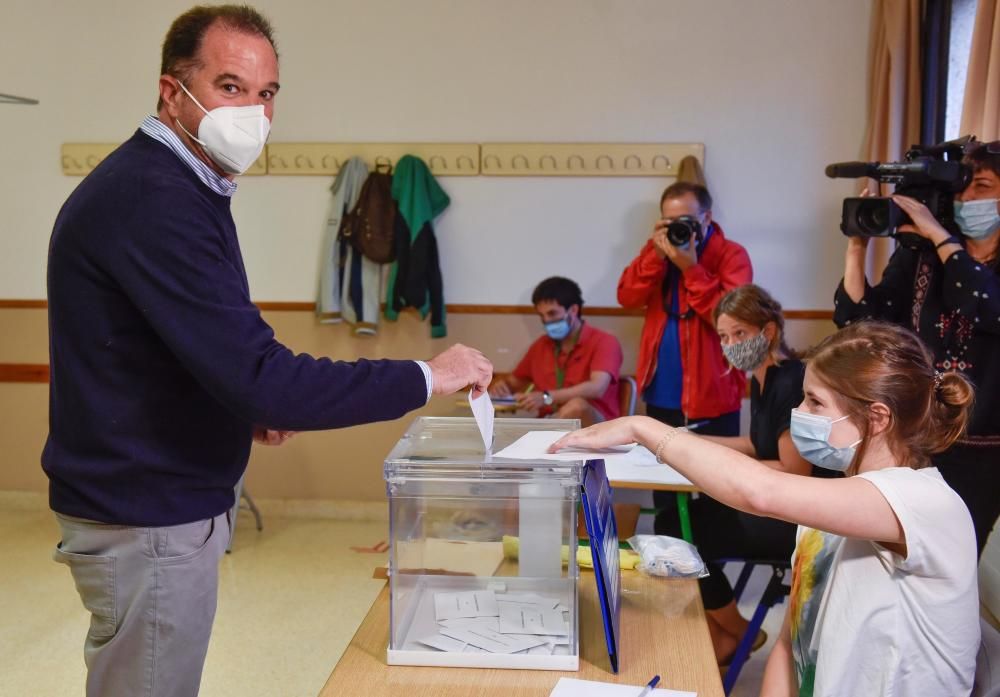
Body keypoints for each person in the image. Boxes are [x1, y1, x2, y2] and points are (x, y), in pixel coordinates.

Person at [43, 7, 492, 697]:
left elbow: (179, 351)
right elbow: (262, 375)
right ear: (172, 92)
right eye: (230, 86)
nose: (254, 111)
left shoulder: (180, 187)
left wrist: (230, 410)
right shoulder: (153, 198)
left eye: (267, 92)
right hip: (148, 519)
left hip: (150, 503)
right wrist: (426, 374)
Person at [551, 321, 980, 696]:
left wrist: (641, 427)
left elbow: (759, 492)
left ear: (879, 417)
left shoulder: (922, 502)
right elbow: (791, 640)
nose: (798, 413)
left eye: (814, 402)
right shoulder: (835, 506)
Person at [835, 141, 1000, 556]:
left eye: (982, 185)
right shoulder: (922, 257)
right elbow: (861, 322)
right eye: (963, 187)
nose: (967, 198)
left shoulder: (943, 249)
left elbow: (986, 306)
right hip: (916, 436)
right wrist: (856, 248)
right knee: (896, 551)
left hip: (984, 449)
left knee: (955, 555)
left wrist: (941, 236)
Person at [661, 284, 819, 664]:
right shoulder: (762, 378)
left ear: (768, 332)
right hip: (771, 502)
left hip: (794, 518)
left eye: (740, 334)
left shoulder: (790, 381)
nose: (730, 344)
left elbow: (794, 470)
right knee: (673, 521)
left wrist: (717, 465)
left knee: (680, 534)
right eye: (724, 336)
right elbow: (755, 445)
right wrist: (687, 443)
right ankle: (724, 635)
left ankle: (742, 632)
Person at [617, 181, 752, 530]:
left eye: (687, 220)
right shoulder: (655, 252)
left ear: (706, 217)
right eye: (669, 220)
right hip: (662, 391)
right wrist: (656, 256)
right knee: (664, 487)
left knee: (717, 487)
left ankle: (712, 572)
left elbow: (730, 319)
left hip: (715, 395)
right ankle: (668, 559)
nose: (679, 228)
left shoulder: (731, 255)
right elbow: (627, 297)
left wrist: (691, 267)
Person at [489, 277, 623, 427]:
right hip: (550, 423)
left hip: (597, 428)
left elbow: (597, 388)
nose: (546, 321)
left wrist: (547, 397)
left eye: (552, 313)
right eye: (542, 316)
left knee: (577, 406)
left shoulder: (605, 341)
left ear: (573, 310)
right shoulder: (541, 345)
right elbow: (513, 383)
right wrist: (501, 387)